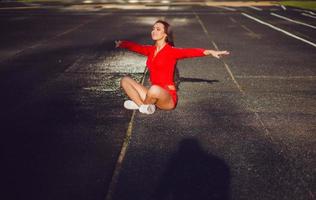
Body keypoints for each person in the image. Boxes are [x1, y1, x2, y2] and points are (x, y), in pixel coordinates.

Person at [115, 20, 229, 115]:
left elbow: (190, 52)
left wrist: (209, 51)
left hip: (167, 98)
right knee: (125, 80)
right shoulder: (150, 50)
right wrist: (122, 43)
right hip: (152, 96)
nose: (154, 31)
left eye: (158, 29)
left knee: (154, 88)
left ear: (165, 34)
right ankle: (142, 106)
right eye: (153, 28)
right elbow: (136, 47)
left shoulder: (171, 52)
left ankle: (140, 104)